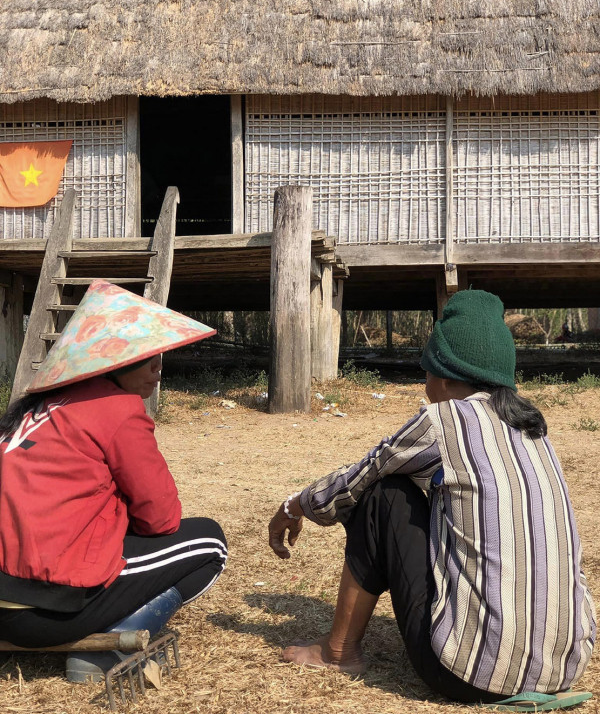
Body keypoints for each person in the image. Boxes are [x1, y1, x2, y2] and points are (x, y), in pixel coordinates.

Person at [268, 290, 596, 704]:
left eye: (426, 375)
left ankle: (338, 652)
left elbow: (360, 477)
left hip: (469, 676)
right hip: (562, 670)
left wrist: (293, 505)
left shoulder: (445, 418)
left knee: (382, 493)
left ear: (442, 377)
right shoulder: (534, 431)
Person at [0, 279, 228, 682]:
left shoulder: (34, 410)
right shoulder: (117, 408)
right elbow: (160, 519)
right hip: (42, 614)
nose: (158, 369)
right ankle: (108, 649)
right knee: (209, 541)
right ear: (111, 364)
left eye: (160, 357)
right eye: (147, 358)